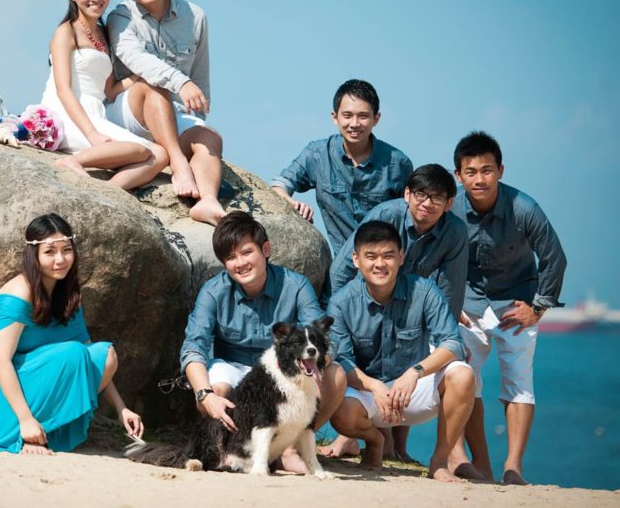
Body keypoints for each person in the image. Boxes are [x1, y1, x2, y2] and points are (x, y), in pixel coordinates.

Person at [180, 211, 346, 472]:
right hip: (235, 370)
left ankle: (289, 449)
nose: (240, 263)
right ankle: (231, 451)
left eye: (247, 252)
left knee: (335, 376)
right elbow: (193, 347)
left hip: (282, 372)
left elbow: (324, 338)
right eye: (230, 258)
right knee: (216, 389)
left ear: (265, 249)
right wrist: (205, 395)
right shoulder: (213, 292)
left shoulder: (296, 286)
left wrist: (312, 367)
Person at [324, 164, 468, 462]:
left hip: (411, 303)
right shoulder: (385, 216)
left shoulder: (453, 233)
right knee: (355, 363)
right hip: (364, 304)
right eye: (420, 195)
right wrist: (339, 308)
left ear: (449, 203)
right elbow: (341, 273)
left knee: (460, 372)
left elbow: (452, 292)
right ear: (407, 194)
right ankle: (363, 439)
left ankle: (436, 460)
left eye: (437, 198)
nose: (426, 203)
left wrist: (416, 371)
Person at [448, 132, 567, 485]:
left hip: (516, 301)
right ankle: (479, 464)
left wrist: (538, 308)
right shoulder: (450, 207)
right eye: (471, 172)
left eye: (487, 170)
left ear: (500, 170)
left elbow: (554, 258)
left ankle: (513, 468)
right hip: (467, 303)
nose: (479, 179)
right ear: (459, 175)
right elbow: (434, 256)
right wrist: (449, 304)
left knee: (519, 384)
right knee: (463, 380)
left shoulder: (524, 208)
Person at [0, 213, 143, 454]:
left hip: (38, 375)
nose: (60, 259)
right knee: (73, 353)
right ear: (34, 255)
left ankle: (49, 429)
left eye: (66, 250)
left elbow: (88, 352)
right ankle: (29, 430)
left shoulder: (68, 294)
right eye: (50, 252)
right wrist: (24, 419)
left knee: (105, 354)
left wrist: (122, 408)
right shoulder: (18, 293)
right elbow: (0, 360)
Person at [105, 0, 226, 225]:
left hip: (171, 115)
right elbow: (138, 61)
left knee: (210, 139)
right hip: (128, 112)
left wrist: (197, 121)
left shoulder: (195, 16)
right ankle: (178, 162)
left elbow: (200, 75)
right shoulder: (120, 18)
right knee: (152, 84)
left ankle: (207, 201)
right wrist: (179, 82)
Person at [39, 0, 168, 189]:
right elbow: (63, 89)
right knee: (139, 149)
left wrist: (140, 76)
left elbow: (109, 90)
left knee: (159, 153)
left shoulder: (103, 33)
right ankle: (73, 161)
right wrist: (92, 134)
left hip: (96, 112)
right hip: (67, 111)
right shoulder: (65, 31)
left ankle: (109, 191)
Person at [272, 79, 413, 254]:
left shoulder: (398, 163)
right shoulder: (317, 154)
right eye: (347, 115)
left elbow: (412, 218)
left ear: (376, 119)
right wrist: (294, 204)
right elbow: (278, 186)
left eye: (363, 116)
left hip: (383, 263)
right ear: (335, 117)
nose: (354, 124)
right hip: (341, 268)